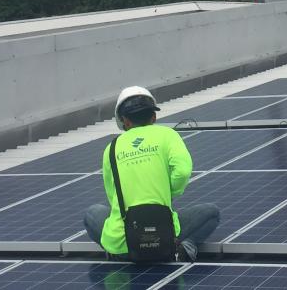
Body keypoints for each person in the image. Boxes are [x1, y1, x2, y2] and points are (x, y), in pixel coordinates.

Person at [83, 86, 220, 262]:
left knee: (92, 214)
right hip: (164, 236)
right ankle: (181, 249)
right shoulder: (168, 135)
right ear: (154, 116)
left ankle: (117, 251)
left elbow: (112, 194)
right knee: (211, 213)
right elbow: (182, 171)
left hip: (126, 239)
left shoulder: (111, 148)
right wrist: (167, 192)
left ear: (125, 121)